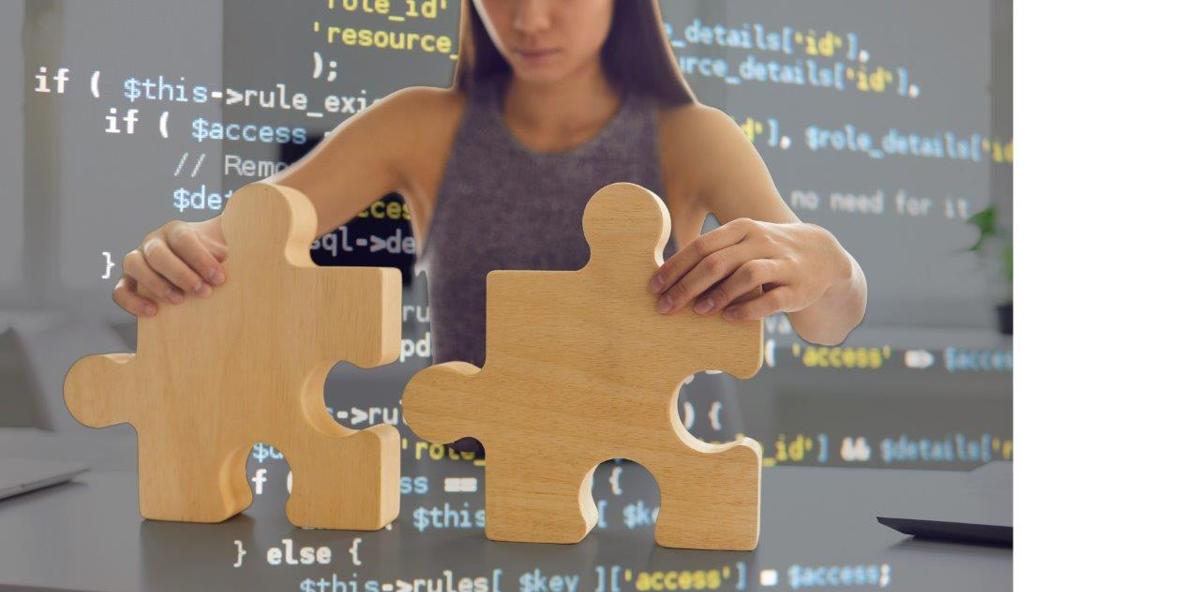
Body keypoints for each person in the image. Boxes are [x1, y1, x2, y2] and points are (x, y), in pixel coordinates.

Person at [112, 0, 867, 367]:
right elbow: (233, 239)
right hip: (461, 487)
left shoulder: (693, 135)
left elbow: (828, 319)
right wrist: (172, 249)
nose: (529, 19)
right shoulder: (416, 125)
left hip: (647, 490)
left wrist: (822, 263)